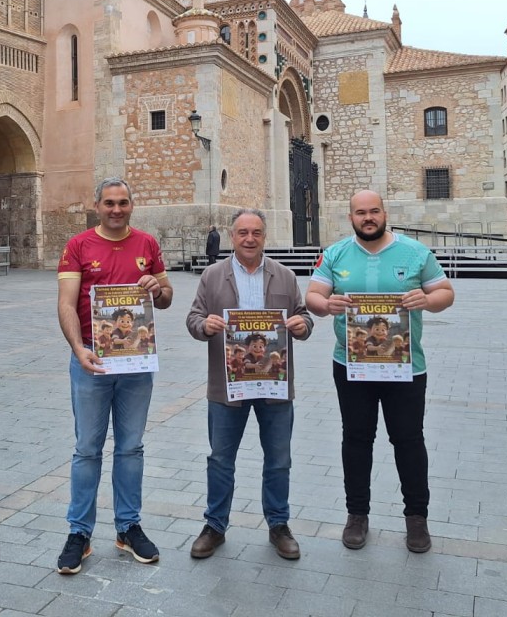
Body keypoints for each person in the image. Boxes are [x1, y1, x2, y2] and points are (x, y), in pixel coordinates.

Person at [305, 190, 454, 554]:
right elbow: (312, 295)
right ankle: (357, 515)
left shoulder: (416, 253)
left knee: (408, 441)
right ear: (351, 217)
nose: (367, 218)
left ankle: (416, 518)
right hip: (351, 367)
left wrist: (427, 300)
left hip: (405, 368)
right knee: (356, 440)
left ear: (385, 213)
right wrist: (327, 304)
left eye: (373, 211)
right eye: (360, 213)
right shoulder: (336, 254)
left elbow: (446, 293)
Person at [56, 177, 174, 574]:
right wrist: (78, 349)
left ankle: (128, 527)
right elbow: (66, 304)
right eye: (109, 203)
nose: (116, 209)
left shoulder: (147, 244)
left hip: (136, 363)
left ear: (131, 205)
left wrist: (155, 286)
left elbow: (168, 297)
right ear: (98, 205)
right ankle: (79, 533)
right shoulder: (78, 246)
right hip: (92, 358)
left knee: (131, 448)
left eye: (123, 202)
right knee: (87, 449)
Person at [185, 208, 312, 560]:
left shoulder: (284, 276)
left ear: (265, 236)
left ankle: (278, 524)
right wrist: (204, 325)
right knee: (221, 459)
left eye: (256, 232)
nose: (250, 239)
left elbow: (303, 315)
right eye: (243, 232)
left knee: (278, 459)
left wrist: (303, 326)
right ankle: (214, 526)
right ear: (232, 236)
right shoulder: (212, 276)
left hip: (274, 387)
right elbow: (193, 318)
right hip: (228, 388)